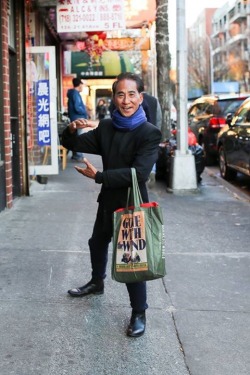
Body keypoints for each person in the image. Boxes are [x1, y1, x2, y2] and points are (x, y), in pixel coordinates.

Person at [62, 72, 162, 338]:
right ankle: (97, 282)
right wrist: (71, 130)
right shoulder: (106, 127)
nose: (126, 100)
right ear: (114, 97)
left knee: (133, 260)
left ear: (140, 98)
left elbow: (139, 173)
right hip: (108, 200)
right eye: (120, 94)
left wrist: (99, 176)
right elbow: (73, 143)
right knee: (97, 242)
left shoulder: (150, 133)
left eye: (131, 94)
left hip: (131, 203)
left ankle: (139, 312)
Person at [67, 78, 88, 161]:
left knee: (76, 136)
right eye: (82, 85)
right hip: (78, 118)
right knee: (78, 137)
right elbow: (77, 107)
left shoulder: (73, 94)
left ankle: (76, 155)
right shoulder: (75, 94)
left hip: (74, 117)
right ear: (79, 85)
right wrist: (84, 111)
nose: (82, 87)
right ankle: (78, 155)